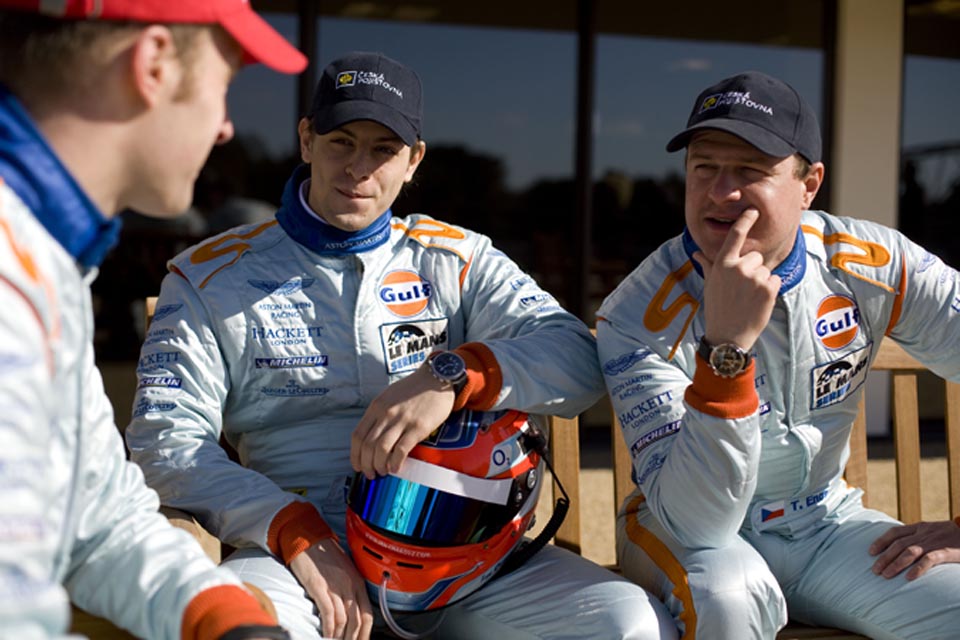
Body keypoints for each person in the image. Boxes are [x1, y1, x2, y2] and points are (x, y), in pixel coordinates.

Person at [125, 51, 678, 640]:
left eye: (383, 150)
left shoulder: (457, 259)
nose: (358, 168)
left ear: (413, 161)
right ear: (306, 140)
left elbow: (577, 358)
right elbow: (164, 440)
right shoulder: (212, 276)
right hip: (298, 548)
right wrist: (289, 527)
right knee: (248, 629)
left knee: (630, 626)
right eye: (341, 142)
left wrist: (456, 376)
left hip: (461, 551)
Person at [596, 70, 960, 639]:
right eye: (704, 167)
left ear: (809, 184)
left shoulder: (869, 261)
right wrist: (727, 349)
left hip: (827, 524)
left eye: (750, 170)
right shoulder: (635, 313)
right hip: (690, 536)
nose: (722, 193)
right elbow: (698, 522)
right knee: (729, 596)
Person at [0, 1, 307, 638]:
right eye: (225, 84)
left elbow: (96, 518)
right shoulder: (13, 275)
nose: (226, 127)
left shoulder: (47, 257)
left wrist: (222, 614)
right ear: (156, 65)